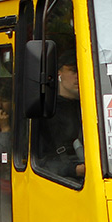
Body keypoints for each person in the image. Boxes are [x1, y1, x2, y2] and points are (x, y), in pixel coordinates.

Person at [37, 54, 85, 182]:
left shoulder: (91, 107)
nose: (78, 76)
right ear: (59, 73)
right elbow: (38, 161)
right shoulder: (45, 112)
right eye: (73, 71)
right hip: (60, 181)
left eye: (82, 71)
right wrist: (73, 170)